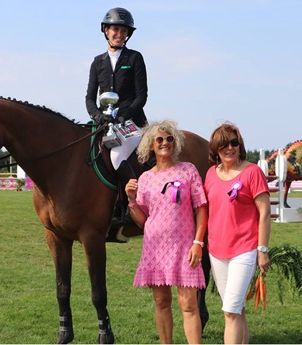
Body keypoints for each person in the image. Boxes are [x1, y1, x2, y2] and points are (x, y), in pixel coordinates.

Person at [125, 120, 207, 344]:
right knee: (161, 303)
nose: (165, 143)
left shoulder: (188, 170)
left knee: (188, 304)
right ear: (151, 145)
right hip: (155, 248)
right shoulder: (145, 179)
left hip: (184, 247)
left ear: (176, 143)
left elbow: (201, 209)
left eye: (169, 138)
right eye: (159, 139)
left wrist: (198, 243)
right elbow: (143, 220)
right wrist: (132, 200)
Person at [203, 122, 271, 344]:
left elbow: (264, 213)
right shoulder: (211, 174)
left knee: (230, 311)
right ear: (216, 149)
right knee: (237, 308)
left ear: (240, 146)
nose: (229, 148)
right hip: (217, 251)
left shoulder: (253, 172)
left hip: (245, 249)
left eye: (234, 143)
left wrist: (262, 250)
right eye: (224, 144)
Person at [85, 7, 148, 183]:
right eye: (115, 30)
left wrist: (122, 117)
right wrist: (97, 116)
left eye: (123, 31)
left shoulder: (135, 58)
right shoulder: (97, 62)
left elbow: (141, 96)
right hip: (104, 124)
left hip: (131, 124)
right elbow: (90, 98)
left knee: (116, 156)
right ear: (106, 30)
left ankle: (132, 203)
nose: (119, 34)